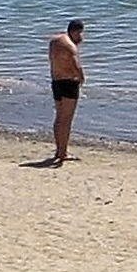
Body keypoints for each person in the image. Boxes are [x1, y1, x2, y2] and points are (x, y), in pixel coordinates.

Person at [43, 20, 86, 167]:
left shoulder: (55, 41)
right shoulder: (70, 46)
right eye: (80, 33)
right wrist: (81, 78)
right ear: (75, 31)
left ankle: (58, 150)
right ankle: (63, 153)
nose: (81, 37)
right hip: (69, 83)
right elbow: (75, 64)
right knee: (66, 119)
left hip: (56, 82)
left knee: (59, 117)